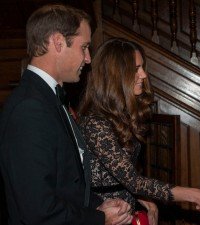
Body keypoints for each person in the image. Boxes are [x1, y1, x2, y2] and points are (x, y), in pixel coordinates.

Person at [0, 5, 133, 225]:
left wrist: (97, 204)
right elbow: (38, 211)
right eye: (84, 47)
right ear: (58, 42)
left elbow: (65, 183)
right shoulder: (29, 108)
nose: (88, 58)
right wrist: (99, 219)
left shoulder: (48, 97)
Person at [77, 37, 200, 225]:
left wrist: (143, 198)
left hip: (124, 211)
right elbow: (132, 180)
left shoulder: (118, 114)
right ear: (116, 75)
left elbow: (122, 177)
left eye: (142, 67)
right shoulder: (95, 123)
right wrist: (197, 195)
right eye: (136, 69)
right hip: (104, 214)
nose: (143, 75)